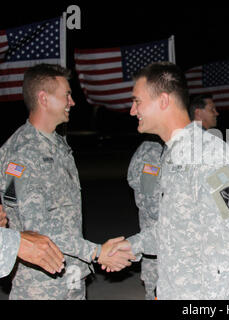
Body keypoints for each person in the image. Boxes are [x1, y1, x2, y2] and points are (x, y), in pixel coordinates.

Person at [109, 62, 229, 299]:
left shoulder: (209, 153)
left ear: (163, 101)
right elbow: (174, 230)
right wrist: (133, 246)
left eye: (137, 101)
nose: (133, 111)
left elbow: (227, 243)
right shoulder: (172, 154)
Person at [0, 64, 135, 299]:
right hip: (41, 283)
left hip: (72, 271)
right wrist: (96, 252)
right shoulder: (22, 152)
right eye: (67, 95)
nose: (72, 102)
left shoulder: (58, 143)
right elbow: (37, 229)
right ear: (43, 98)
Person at [127, 137, 163, 300]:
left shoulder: (153, 149)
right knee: (156, 285)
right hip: (155, 231)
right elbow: (150, 196)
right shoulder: (153, 152)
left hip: (155, 233)